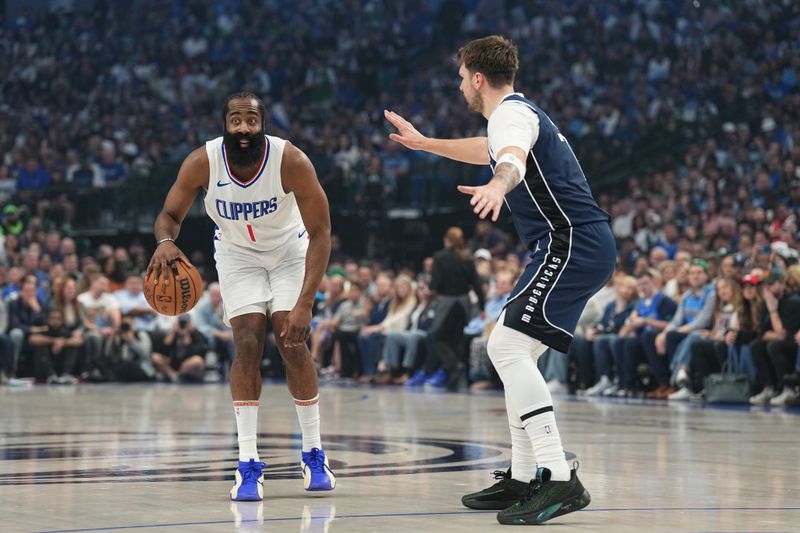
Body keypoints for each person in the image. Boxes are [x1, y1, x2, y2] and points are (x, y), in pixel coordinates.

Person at [386, 35, 615, 525]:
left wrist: (498, 182)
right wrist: (426, 143)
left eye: (460, 78)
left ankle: (557, 477)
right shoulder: (514, 116)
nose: (458, 86)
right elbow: (487, 149)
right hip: (570, 243)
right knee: (515, 351)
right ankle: (524, 475)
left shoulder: (511, 115)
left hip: (570, 241)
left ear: (477, 78)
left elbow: (508, 157)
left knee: (506, 348)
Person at [147, 92, 335, 501]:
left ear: (263, 122)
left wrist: (304, 303)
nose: (244, 128)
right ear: (225, 124)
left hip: (289, 252)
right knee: (247, 344)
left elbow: (321, 234)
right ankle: (248, 462)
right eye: (236, 120)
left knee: (292, 341)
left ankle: (314, 451)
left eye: (251, 120)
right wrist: (164, 240)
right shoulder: (202, 162)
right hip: (235, 256)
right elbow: (170, 215)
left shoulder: (291, 161)